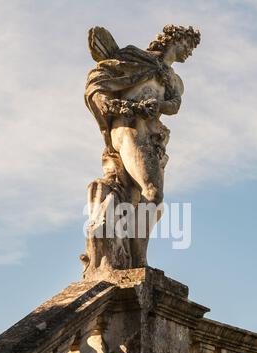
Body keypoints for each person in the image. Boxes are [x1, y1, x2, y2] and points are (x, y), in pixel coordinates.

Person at [84, 25, 200, 270]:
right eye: (188, 44)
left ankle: (131, 255)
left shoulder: (173, 79)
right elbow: (97, 86)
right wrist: (133, 108)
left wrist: (157, 105)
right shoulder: (136, 58)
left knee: (147, 199)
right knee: (153, 193)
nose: (190, 52)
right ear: (173, 39)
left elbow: (173, 106)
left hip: (153, 138)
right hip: (129, 127)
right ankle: (138, 262)